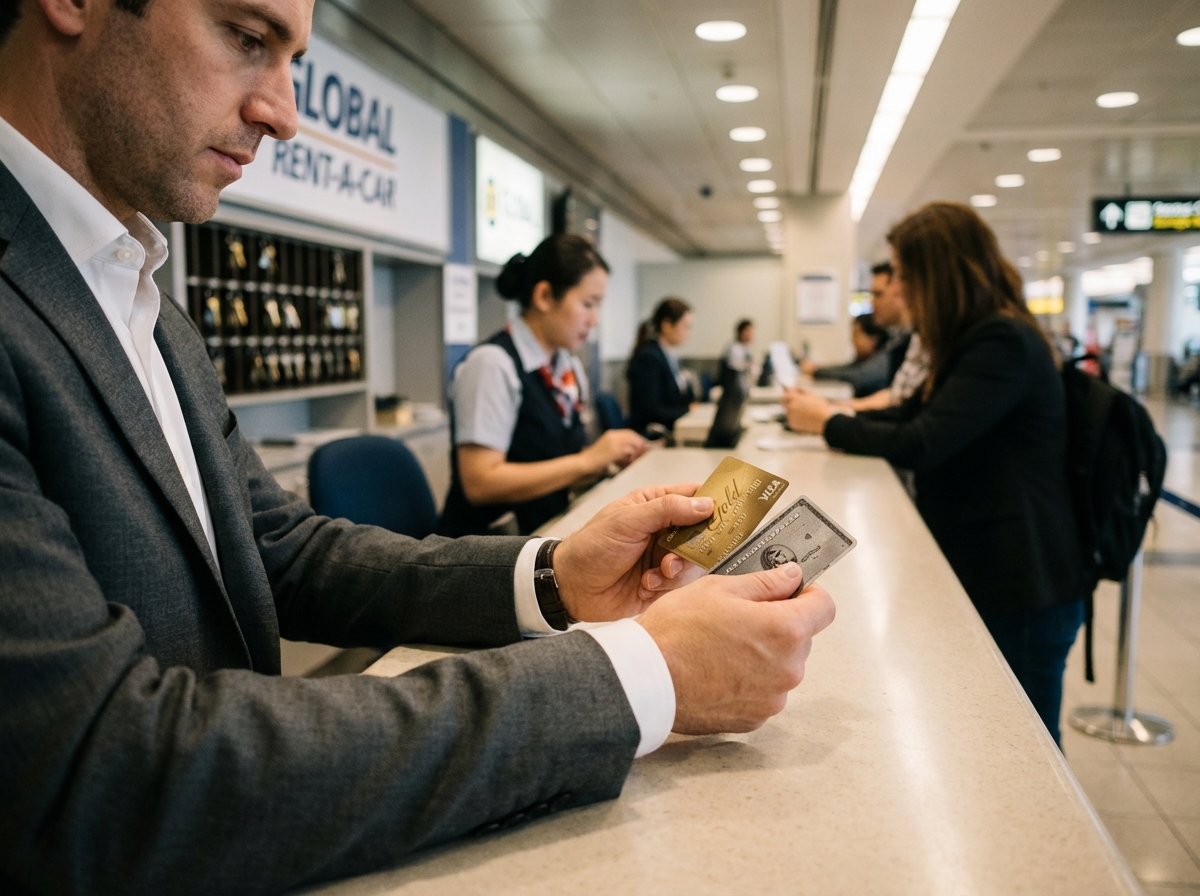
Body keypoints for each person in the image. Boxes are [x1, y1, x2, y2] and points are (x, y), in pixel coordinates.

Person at [0, 2, 837, 893]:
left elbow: (278, 548)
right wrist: (639, 674)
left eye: (292, 58)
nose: (284, 111)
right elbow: (97, 773)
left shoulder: (146, 304)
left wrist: (553, 576)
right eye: (247, 39)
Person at [784, 201, 1082, 746]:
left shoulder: (1000, 343)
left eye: (902, 272)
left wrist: (828, 422)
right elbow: (915, 415)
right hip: (993, 564)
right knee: (988, 735)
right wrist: (834, 418)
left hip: (1021, 576)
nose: (897, 287)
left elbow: (923, 441)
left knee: (1025, 745)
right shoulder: (973, 339)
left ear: (935, 274)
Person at [437, 235, 646, 537]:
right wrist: (586, 461)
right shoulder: (493, 364)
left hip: (545, 531)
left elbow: (558, 465)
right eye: (588, 304)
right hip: (486, 553)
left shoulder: (567, 366)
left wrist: (604, 463)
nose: (595, 320)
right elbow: (480, 483)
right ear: (545, 296)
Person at [627, 297, 696, 435]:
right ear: (667, 325)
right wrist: (688, 410)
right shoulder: (649, 357)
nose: (688, 333)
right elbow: (650, 411)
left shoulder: (666, 355)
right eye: (685, 327)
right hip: (652, 434)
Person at [799, 312, 890, 397]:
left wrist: (816, 372)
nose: (851, 340)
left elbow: (857, 376)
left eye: (856, 334)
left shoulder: (884, 359)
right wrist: (817, 369)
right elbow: (848, 368)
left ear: (873, 340)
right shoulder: (868, 359)